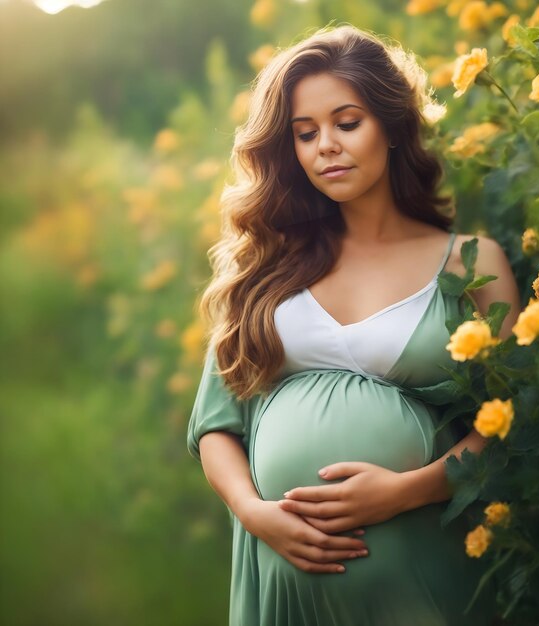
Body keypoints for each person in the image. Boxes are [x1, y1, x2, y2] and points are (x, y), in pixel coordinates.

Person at [187, 24, 521, 626]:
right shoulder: (267, 265)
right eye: (305, 134)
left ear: (391, 127)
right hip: (283, 578)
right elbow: (216, 423)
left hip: (424, 563)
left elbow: (516, 424)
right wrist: (252, 511)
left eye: (347, 123)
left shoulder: (470, 263)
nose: (326, 147)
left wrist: (405, 491)